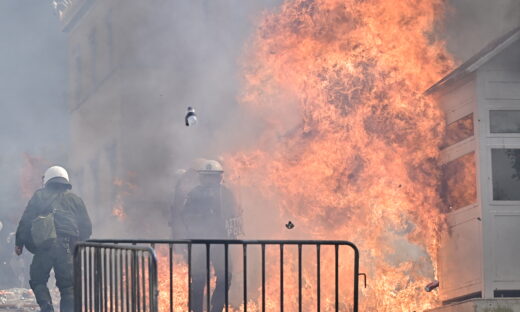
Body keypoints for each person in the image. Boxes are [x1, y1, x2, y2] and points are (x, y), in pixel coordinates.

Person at [15, 165, 92, 312]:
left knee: (38, 280)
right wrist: (76, 243)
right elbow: (87, 227)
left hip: (44, 245)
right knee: (68, 286)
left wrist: (19, 243)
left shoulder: (39, 196)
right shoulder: (75, 199)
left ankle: (46, 306)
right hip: (67, 247)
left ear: (48, 180)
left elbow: (26, 221)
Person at [181, 159, 242, 312]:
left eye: (213, 176)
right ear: (201, 178)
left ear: (219, 177)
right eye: (206, 176)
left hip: (221, 243)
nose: (210, 180)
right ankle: (196, 309)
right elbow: (186, 216)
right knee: (198, 279)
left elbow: (235, 214)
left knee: (225, 276)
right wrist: (195, 230)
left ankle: (216, 307)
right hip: (199, 243)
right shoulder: (193, 194)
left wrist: (233, 233)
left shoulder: (227, 193)